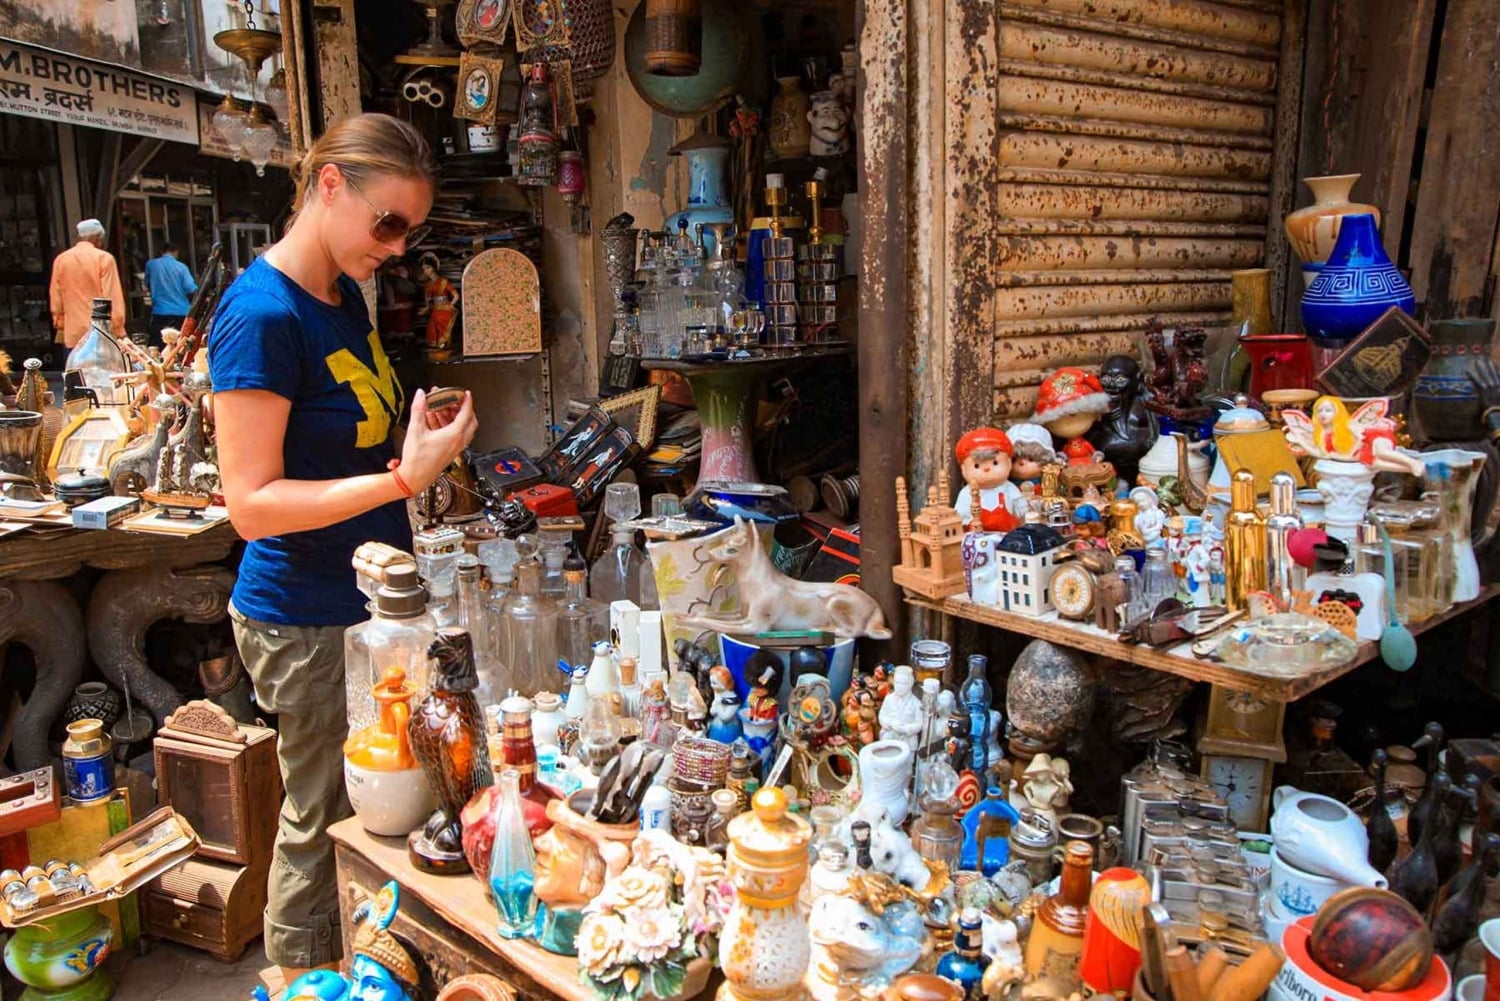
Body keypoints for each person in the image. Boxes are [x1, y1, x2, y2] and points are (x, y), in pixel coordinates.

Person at [207, 113, 476, 983]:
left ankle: (366, 972)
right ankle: (296, 981)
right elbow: (251, 504)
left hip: (364, 605)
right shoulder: (260, 313)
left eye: (410, 230)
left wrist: (409, 445)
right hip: (304, 613)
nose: (396, 247)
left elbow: (345, 448)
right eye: (387, 223)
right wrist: (402, 481)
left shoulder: (341, 295)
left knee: (382, 802)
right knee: (322, 814)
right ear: (330, 187)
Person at [49, 218, 126, 347]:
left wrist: (62, 324)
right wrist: (118, 330)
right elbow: (109, 297)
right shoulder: (104, 258)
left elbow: (56, 300)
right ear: (97, 238)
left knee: (75, 367)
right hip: (99, 333)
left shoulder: (61, 260)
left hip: (73, 333)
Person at [144, 242, 197, 348]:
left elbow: (147, 283)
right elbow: (191, 288)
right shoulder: (182, 267)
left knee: (158, 347)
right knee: (181, 347)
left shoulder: (151, 265)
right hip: (181, 312)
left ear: (161, 252)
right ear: (176, 252)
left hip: (160, 312)